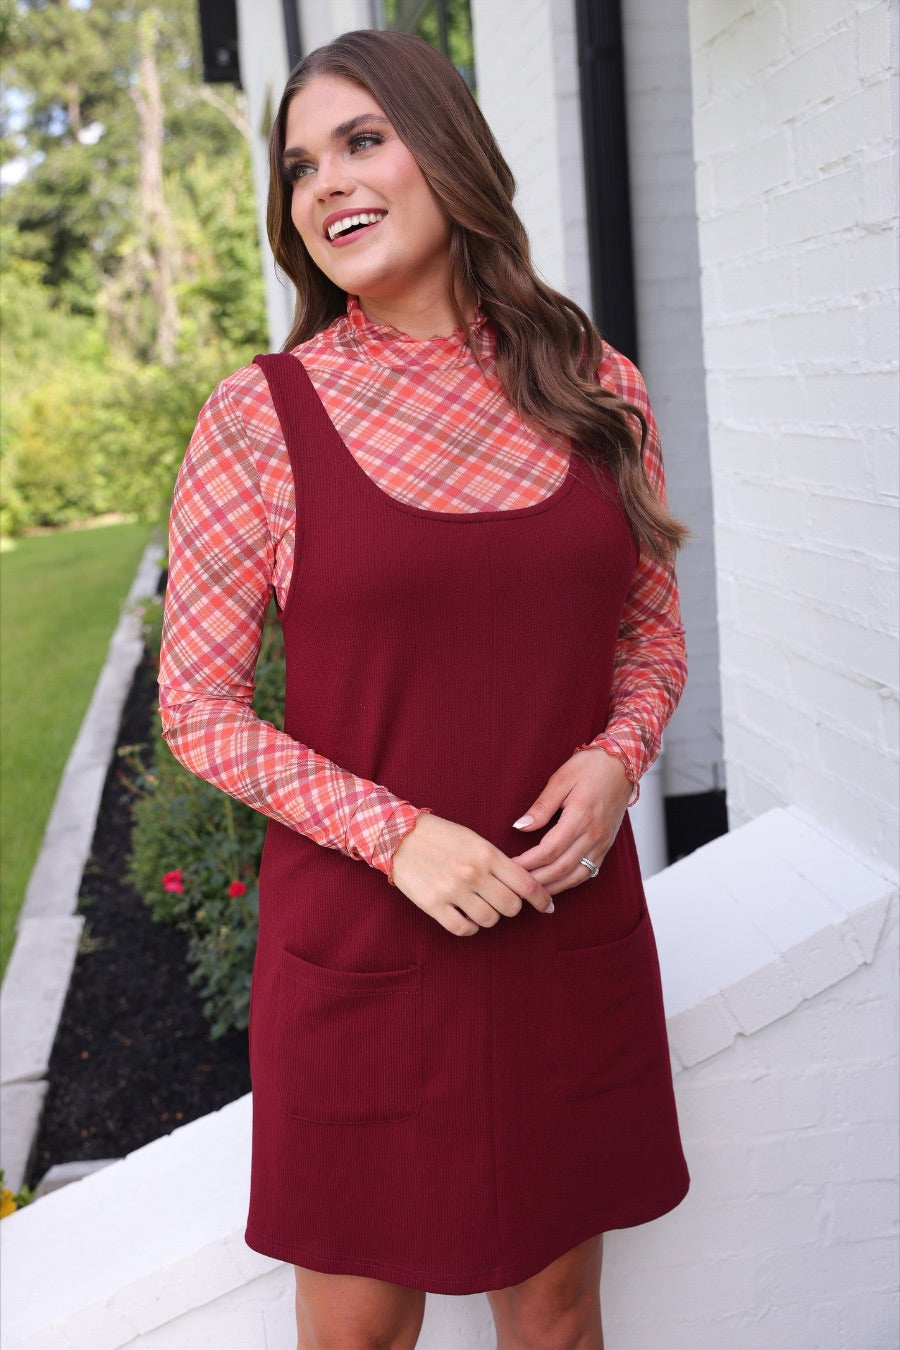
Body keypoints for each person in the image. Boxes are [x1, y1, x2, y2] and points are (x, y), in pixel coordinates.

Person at [159, 28, 689, 1350]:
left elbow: (651, 630)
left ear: (445, 149)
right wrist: (399, 835)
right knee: (356, 1335)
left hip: (558, 930)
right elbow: (200, 706)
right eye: (297, 165)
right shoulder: (261, 415)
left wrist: (623, 751)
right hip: (363, 949)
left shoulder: (596, 387)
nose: (323, 182)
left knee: (559, 1319)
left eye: (361, 141)